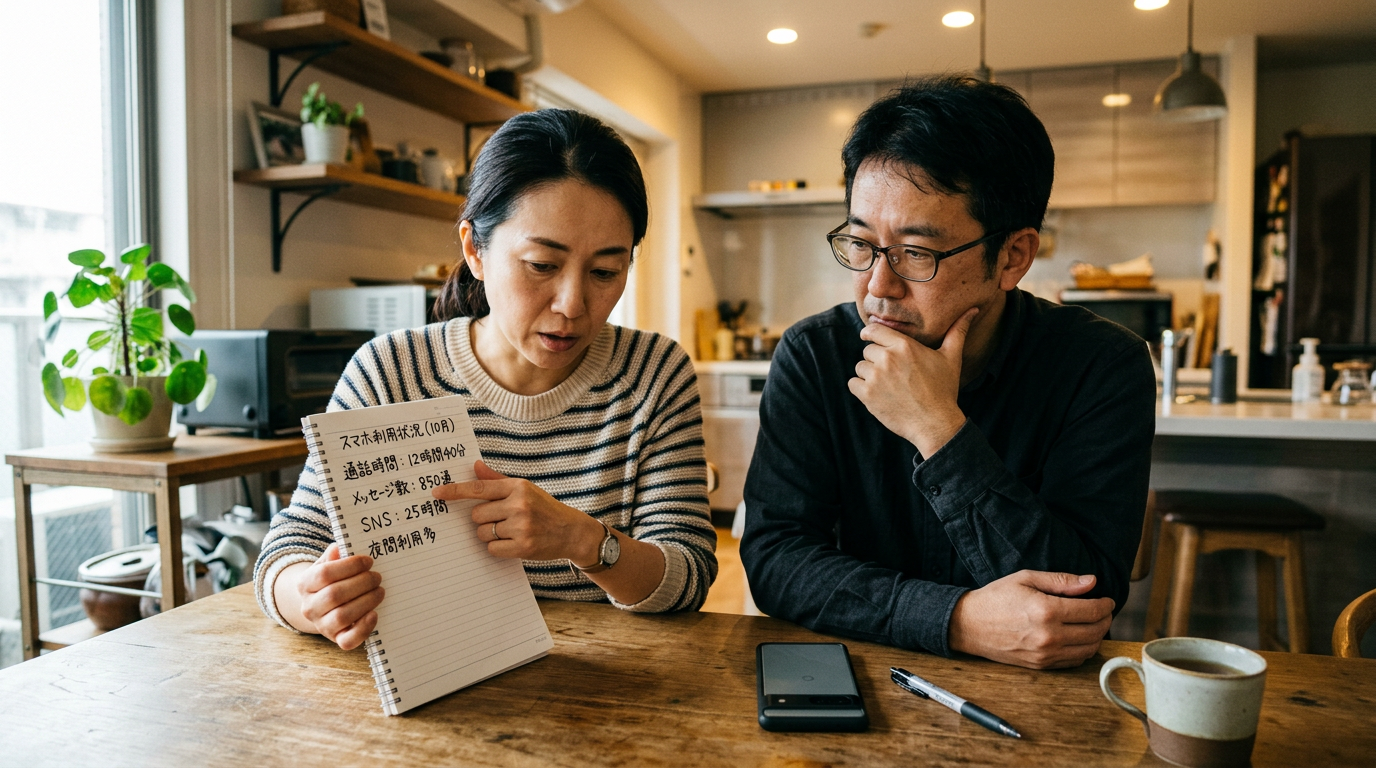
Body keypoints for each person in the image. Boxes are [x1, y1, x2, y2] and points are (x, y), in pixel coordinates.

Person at [253, 109, 717, 650]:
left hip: (599, 695)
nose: (572, 305)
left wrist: (581, 538)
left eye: (605, 272)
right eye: (542, 265)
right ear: (475, 249)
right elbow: (291, 546)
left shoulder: (653, 374)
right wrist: (309, 599)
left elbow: (687, 576)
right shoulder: (391, 372)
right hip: (429, 681)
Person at [739, 76, 1156, 670]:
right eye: (861, 244)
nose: (877, 288)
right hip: (860, 674)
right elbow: (776, 559)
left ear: (1013, 257)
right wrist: (953, 620)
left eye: (917, 253)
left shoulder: (1101, 366)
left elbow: (1084, 595)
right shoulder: (815, 354)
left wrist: (939, 430)